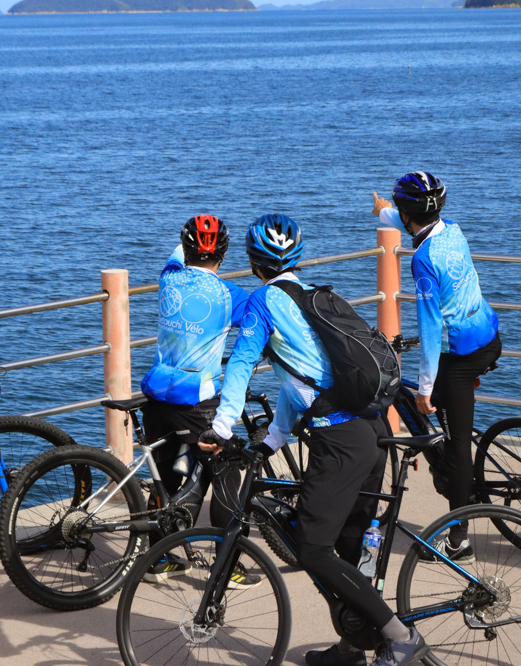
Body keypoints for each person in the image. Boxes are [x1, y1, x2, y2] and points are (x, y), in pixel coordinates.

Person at [201, 214, 429, 666]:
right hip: (370, 431)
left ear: (252, 262)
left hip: (340, 441)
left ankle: (400, 637)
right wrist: (272, 440)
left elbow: (241, 366)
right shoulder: (311, 298)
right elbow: (304, 383)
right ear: (296, 256)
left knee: (312, 548)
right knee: (345, 548)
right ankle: (351, 648)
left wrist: (222, 427)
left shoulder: (265, 302)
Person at [371, 171, 500, 559]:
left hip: (462, 354)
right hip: (488, 335)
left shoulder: (424, 261)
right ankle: (456, 479)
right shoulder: (451, 231)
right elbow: (414, 222)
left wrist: (426, 390)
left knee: (457, 449)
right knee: (451, 429)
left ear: (409, 214)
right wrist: (384, 213)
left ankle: (459, 540)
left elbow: (430, 331)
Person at [138, 215, 252, 584]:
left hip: (156, 394)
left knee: (165, 475)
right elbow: (261, 322)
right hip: (197, 401)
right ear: (224, 252)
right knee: (227, 471)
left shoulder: (168, 278)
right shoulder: (230, 297)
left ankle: (155, 558)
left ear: (185, 249)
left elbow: (178, 255)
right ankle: (227, 565)